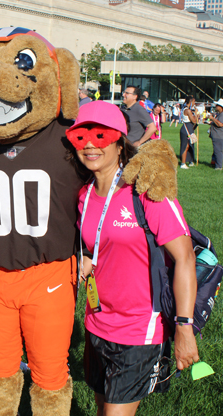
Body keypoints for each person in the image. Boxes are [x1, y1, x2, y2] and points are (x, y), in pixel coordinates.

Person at [66, 100, 199, 416]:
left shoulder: (147, 191)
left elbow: (185, 259)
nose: (89, 146)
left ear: (119, 140)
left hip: (140, 330)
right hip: (97, 323)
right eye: (80, 137)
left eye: (100, 136)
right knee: (101, 409)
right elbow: (96, 250)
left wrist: (184, 327)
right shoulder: (84, 195)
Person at [180, 96, 197, 169]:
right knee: (185, 146)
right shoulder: (188, 110)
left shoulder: (187, 109)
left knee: (190, 144)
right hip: (186, 129)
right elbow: (194, 121)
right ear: (190, 101)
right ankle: (183, 163)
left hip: (189, 128)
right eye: (193, 102)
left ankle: (190, 160)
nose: (194, 103)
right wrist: (196, 114)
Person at [208, 98, 223, 171]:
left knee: (218, 151)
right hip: (217, 135)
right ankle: (215, 163)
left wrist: (212, 119)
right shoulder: (219, 114)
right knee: (216, 151)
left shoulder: (222, 115)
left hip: (219, 136)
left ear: (220, 106)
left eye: (217, 105)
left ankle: (218, 167)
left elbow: (220, 124)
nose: (216, 106)